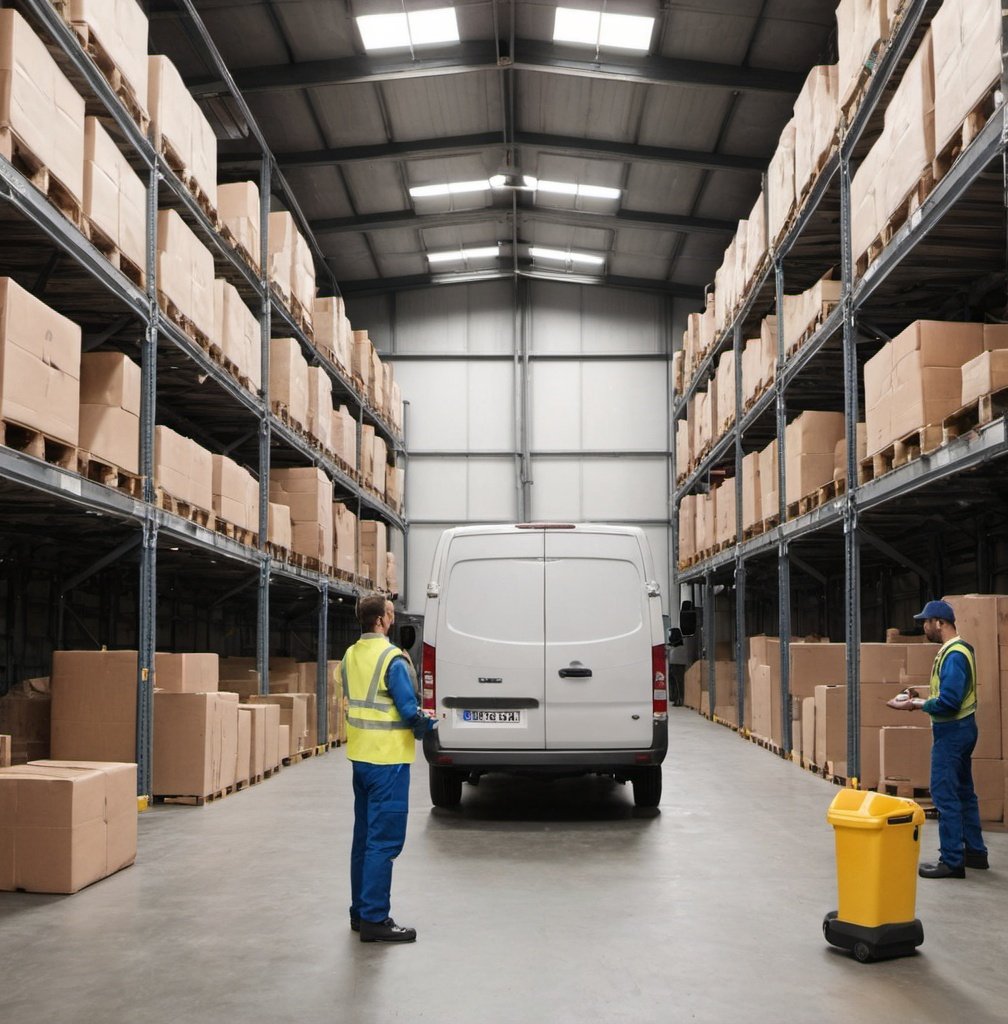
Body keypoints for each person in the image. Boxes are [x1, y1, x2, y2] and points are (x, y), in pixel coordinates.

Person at [342, 594, 435, 942]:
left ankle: (359, 912)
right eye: (391, 614)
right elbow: (408, 711)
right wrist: (428, 725)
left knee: (363, 839)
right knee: (384, 842)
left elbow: (353, 692)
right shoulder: (392, 659)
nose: (394, 618)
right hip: (388, 762)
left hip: (361, 758)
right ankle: (375, 920)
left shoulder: (351, 655)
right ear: (380, 620)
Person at [887, 600, 989, 879]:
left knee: (944, 793)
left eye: (927, 622)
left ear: (940, 623)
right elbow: (948, 691)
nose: (924, 627)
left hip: (952, 732)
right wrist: (917, 694)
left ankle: (952, 860)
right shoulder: (960, 649)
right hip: (963, 729)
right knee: (964, 792)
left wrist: (914, 705)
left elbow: (950, 702)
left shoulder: (954, 655)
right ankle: (976, 853)